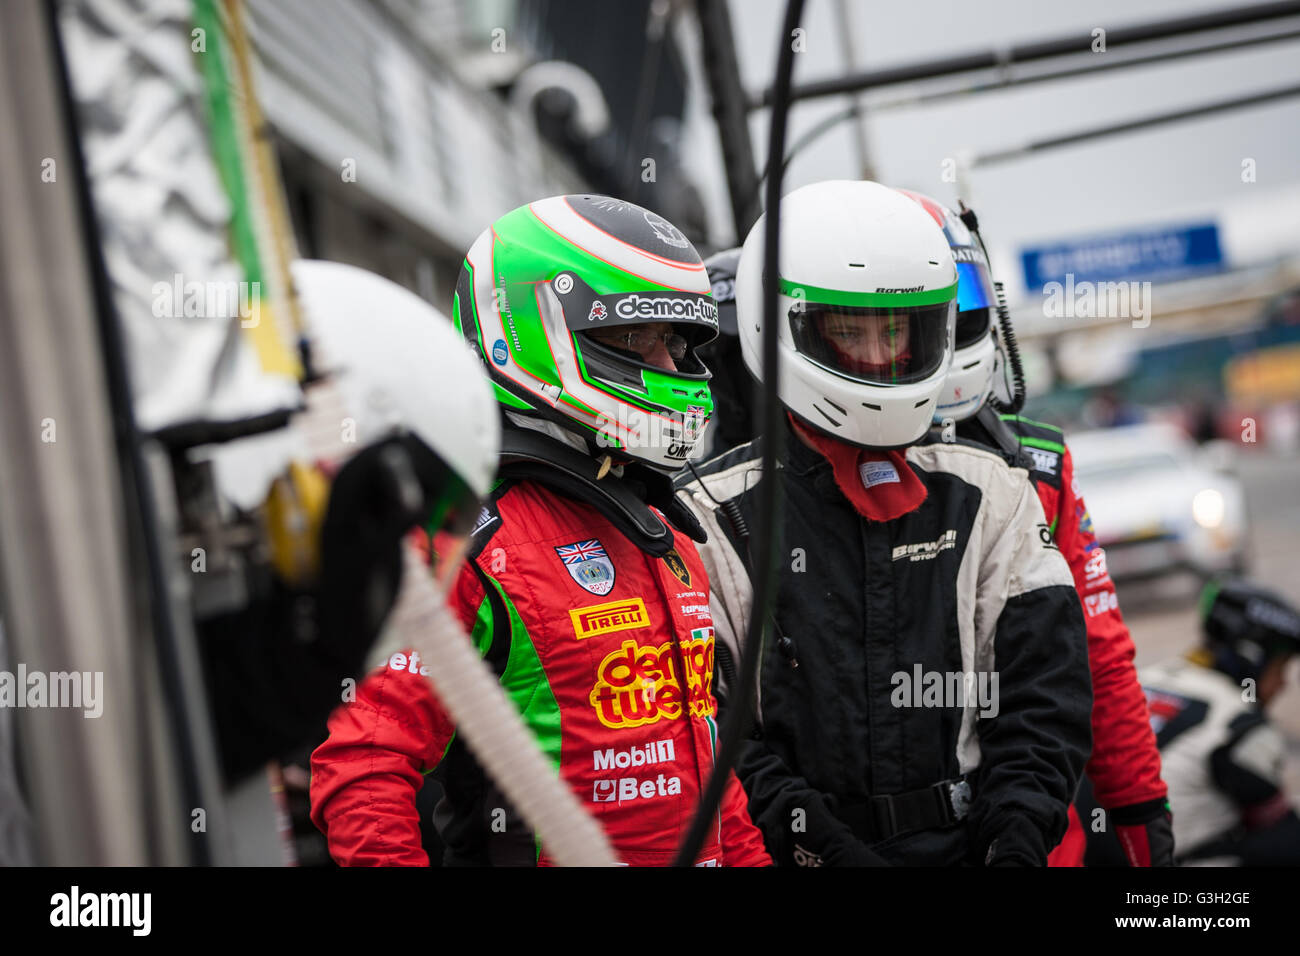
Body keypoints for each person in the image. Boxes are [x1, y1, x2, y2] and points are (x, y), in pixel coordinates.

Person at [310, 195, 771, 866]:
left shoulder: (666, 534)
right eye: (634, 340)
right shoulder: (466, 547)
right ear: (528, 331)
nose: (672, 372)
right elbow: (365, 771)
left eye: (676, 345)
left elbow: (706, 760)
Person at [678, 180, 1092, 866]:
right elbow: (712, 735)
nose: (875, 356)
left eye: (894, 330)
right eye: (847, 330)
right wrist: (823, 848)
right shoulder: (706, 516)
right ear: (776, 324)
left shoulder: (992, 491)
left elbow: (1044, 704)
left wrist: (1015, 842)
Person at [897, 189, 1174, 867]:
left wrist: (1141, 813)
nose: (953, 319)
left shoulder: (1038, 464)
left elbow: (1101, 659)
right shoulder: (782, 478)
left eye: (961, 297)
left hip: (1038, 834)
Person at [1086, 579, 1299, 865]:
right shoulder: (1240, 723)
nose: (1283, 683)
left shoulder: (1143, 678)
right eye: (1280, 667)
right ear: (1253, 659)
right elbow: (1280, 831)